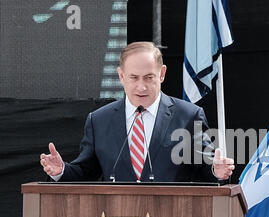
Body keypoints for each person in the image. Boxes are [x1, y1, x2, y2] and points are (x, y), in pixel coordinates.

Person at [40, 41, 234, 182]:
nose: (141, 87)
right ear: (121, 76)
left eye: (149, 77)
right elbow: (86, 172)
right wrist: (61, 171)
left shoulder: (188, 116)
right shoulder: (99, 120)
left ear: (162, 74)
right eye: (134, 78)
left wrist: (217, 172)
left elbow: (206, 170)